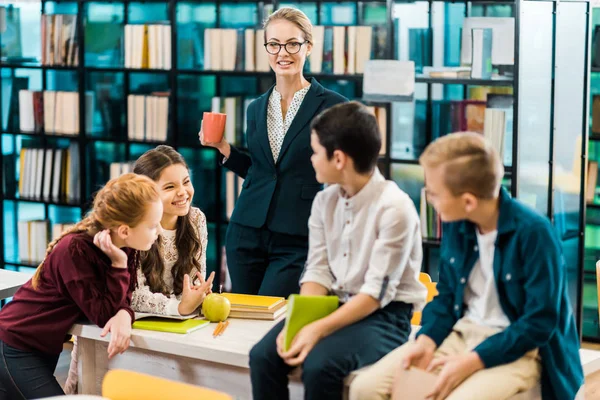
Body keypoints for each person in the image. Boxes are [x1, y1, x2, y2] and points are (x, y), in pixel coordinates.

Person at [349, 132, 584, 400]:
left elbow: (539, 323)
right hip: (461, 334)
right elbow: (447, 297)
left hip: (521, 349)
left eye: (435, 194)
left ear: (469, 201)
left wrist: (473, 361)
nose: (429, 200)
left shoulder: (534, 233)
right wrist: (425, 340)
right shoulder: (457, 223)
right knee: (364, 389)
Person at [248, 102, 427, 400]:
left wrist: (317, 330)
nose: (312, 159)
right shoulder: (324, 201)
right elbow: (318, 269)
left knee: (321, 366)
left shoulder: (395, 208)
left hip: (385, 316)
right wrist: (301, 323)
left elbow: (375, 295)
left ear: (339, 159)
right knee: (263, 356)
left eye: (316, 151)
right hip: (336, 306)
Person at [199, 7, 347, 297]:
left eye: (293, 44)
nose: (283, 52)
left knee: (272, 318)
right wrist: (223, 148)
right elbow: (262, 171)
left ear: (309, 46)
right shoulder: (255, 108)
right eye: (274, 44)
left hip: (298, 234)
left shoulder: (334, 106)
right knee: (244, 318)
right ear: (266, 48)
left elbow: (343, 169)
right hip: (245, 230)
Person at [64, 145, 214, 394]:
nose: (183, 193)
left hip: (177, 331)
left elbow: (194, 281)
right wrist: (179, 307)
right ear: (147, 192)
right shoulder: (135, 228)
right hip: (128, 331)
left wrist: (195, 296)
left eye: (186, 182)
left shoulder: (197, 219)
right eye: (169, 187)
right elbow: (132, 296)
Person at [0, 173, 163, 400]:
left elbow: (124, 297)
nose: (158, 232)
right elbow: (103, 314)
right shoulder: (75, 250)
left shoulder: (124, 245)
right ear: (125, 229)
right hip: (17, 346)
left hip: (42, 347)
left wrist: (125, 315)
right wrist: (119, 265)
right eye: (153, 226)